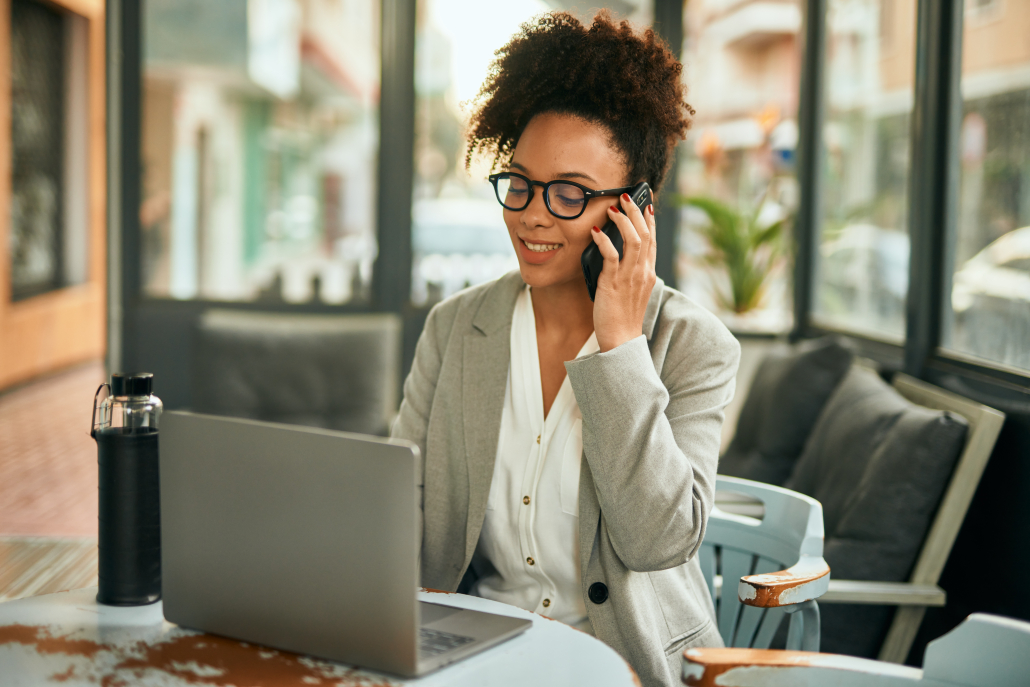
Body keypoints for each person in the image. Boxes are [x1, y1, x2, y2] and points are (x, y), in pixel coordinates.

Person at [392, 11, 740, 686]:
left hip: (621, 667)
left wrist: (619, 344)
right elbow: (399, 510)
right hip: (469, 658)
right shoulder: (455, 327)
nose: (531, 212)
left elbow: (656, 540)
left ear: (633, 207)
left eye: (569, 193)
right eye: (518, 181)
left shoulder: (695, 346)